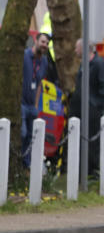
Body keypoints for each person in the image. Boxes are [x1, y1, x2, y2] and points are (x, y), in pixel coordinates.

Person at [69, 39, 104, 177]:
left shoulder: (98, 64)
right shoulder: (84, 64)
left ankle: (91, 172)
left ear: (83, 49)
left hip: (92, 113)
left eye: (77, 48)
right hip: (80, 112)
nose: (75, 51)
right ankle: (82, 172)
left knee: (92, 144)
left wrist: (95, 105)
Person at [21, 32, 57, 167]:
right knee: (22, 134)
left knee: (31, 137)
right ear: (35, 41)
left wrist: (36, 105)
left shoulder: (44, 61)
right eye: (43, 42)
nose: (45, 45)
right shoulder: (24, 56)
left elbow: (40, 84)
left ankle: (27, 166)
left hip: (32, 105)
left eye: (47, 43)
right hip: (22, 104)